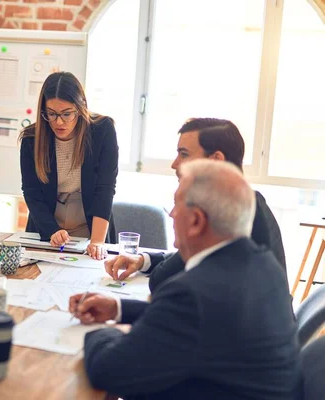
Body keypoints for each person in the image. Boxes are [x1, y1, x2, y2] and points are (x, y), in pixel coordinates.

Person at [71, 159, 300, 400]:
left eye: (176, 204)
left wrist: (102, 332)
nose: (170, 214)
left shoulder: (194, 293)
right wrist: (118, 309)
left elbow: (109, 370)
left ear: (196, 221)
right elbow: (198, 320)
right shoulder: (264, 264)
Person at [106, 118, 286, 290]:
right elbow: (186, 258)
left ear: (216, 159)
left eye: (184, 154)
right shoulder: (249, 202)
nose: (174, 164)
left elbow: (162, 278)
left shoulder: (230, 215)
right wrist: (142, 260)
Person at [20, 71, 118, 260]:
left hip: (89, 221)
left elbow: (105, 188)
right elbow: (31, 192)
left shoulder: (102, 130)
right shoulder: (32, 139)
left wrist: (97, 241)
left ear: (80, 108)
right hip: (47, 221)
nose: (59, 122)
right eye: (52, 113)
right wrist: (52, 230)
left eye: (67, 114)